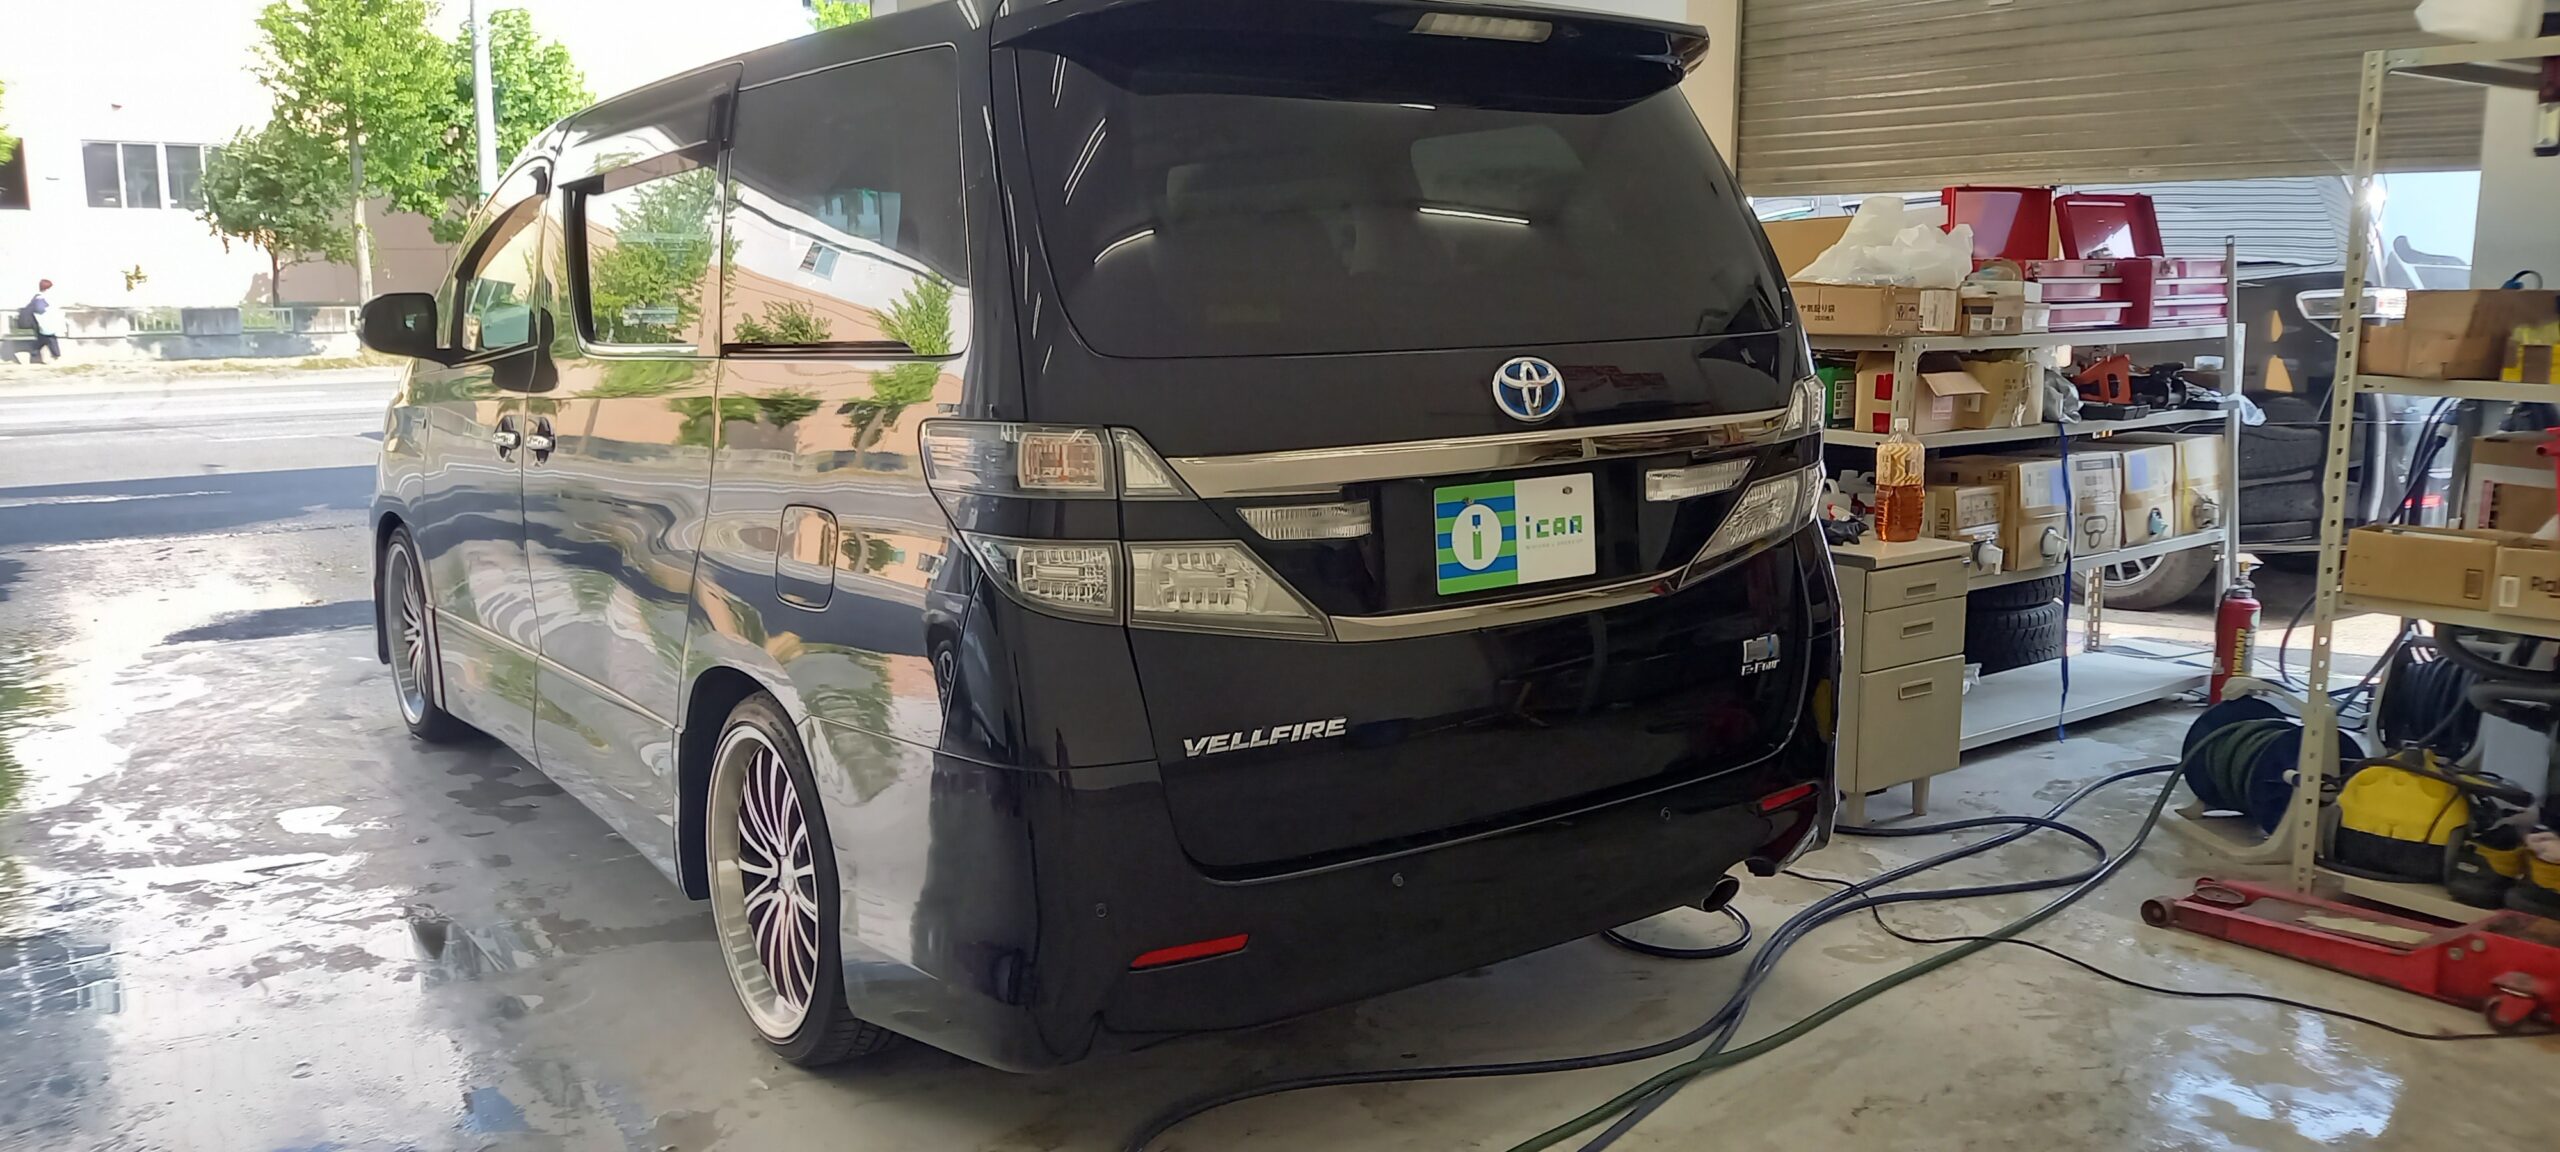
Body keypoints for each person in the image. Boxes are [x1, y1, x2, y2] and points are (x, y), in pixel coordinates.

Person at [19, 279, 64, 363]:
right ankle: (56, 356)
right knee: (50, 338)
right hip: (43, 324)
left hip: (42, 324)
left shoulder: (40, 297)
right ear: (47, 289)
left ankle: (33, 355)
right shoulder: (40, 298)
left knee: (42, 340)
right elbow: (40, 310)